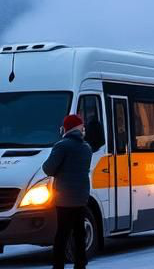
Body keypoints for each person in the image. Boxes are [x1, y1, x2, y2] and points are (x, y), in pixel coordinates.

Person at [42, 114, 94, 269]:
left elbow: (48, 169)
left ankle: (58, 265)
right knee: (79, 233)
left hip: (64, 198)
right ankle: (81, 264)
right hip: (81, 197)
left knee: (62, 234)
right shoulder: (86, 147)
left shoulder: (62, 146)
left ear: (66, 128)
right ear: (78, 128)